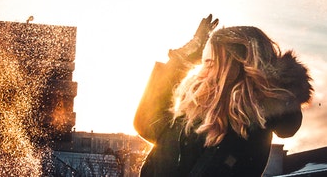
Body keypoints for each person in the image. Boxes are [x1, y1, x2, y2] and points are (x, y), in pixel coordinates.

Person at [134, 15, 312, 177]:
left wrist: (281, 85)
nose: (203, 72)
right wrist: (181, 60)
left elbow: (287, 123)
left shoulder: (254, 121)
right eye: (203, 62)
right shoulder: (197, 109)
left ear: (236, 67)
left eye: (211, 63)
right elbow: (146, 124)